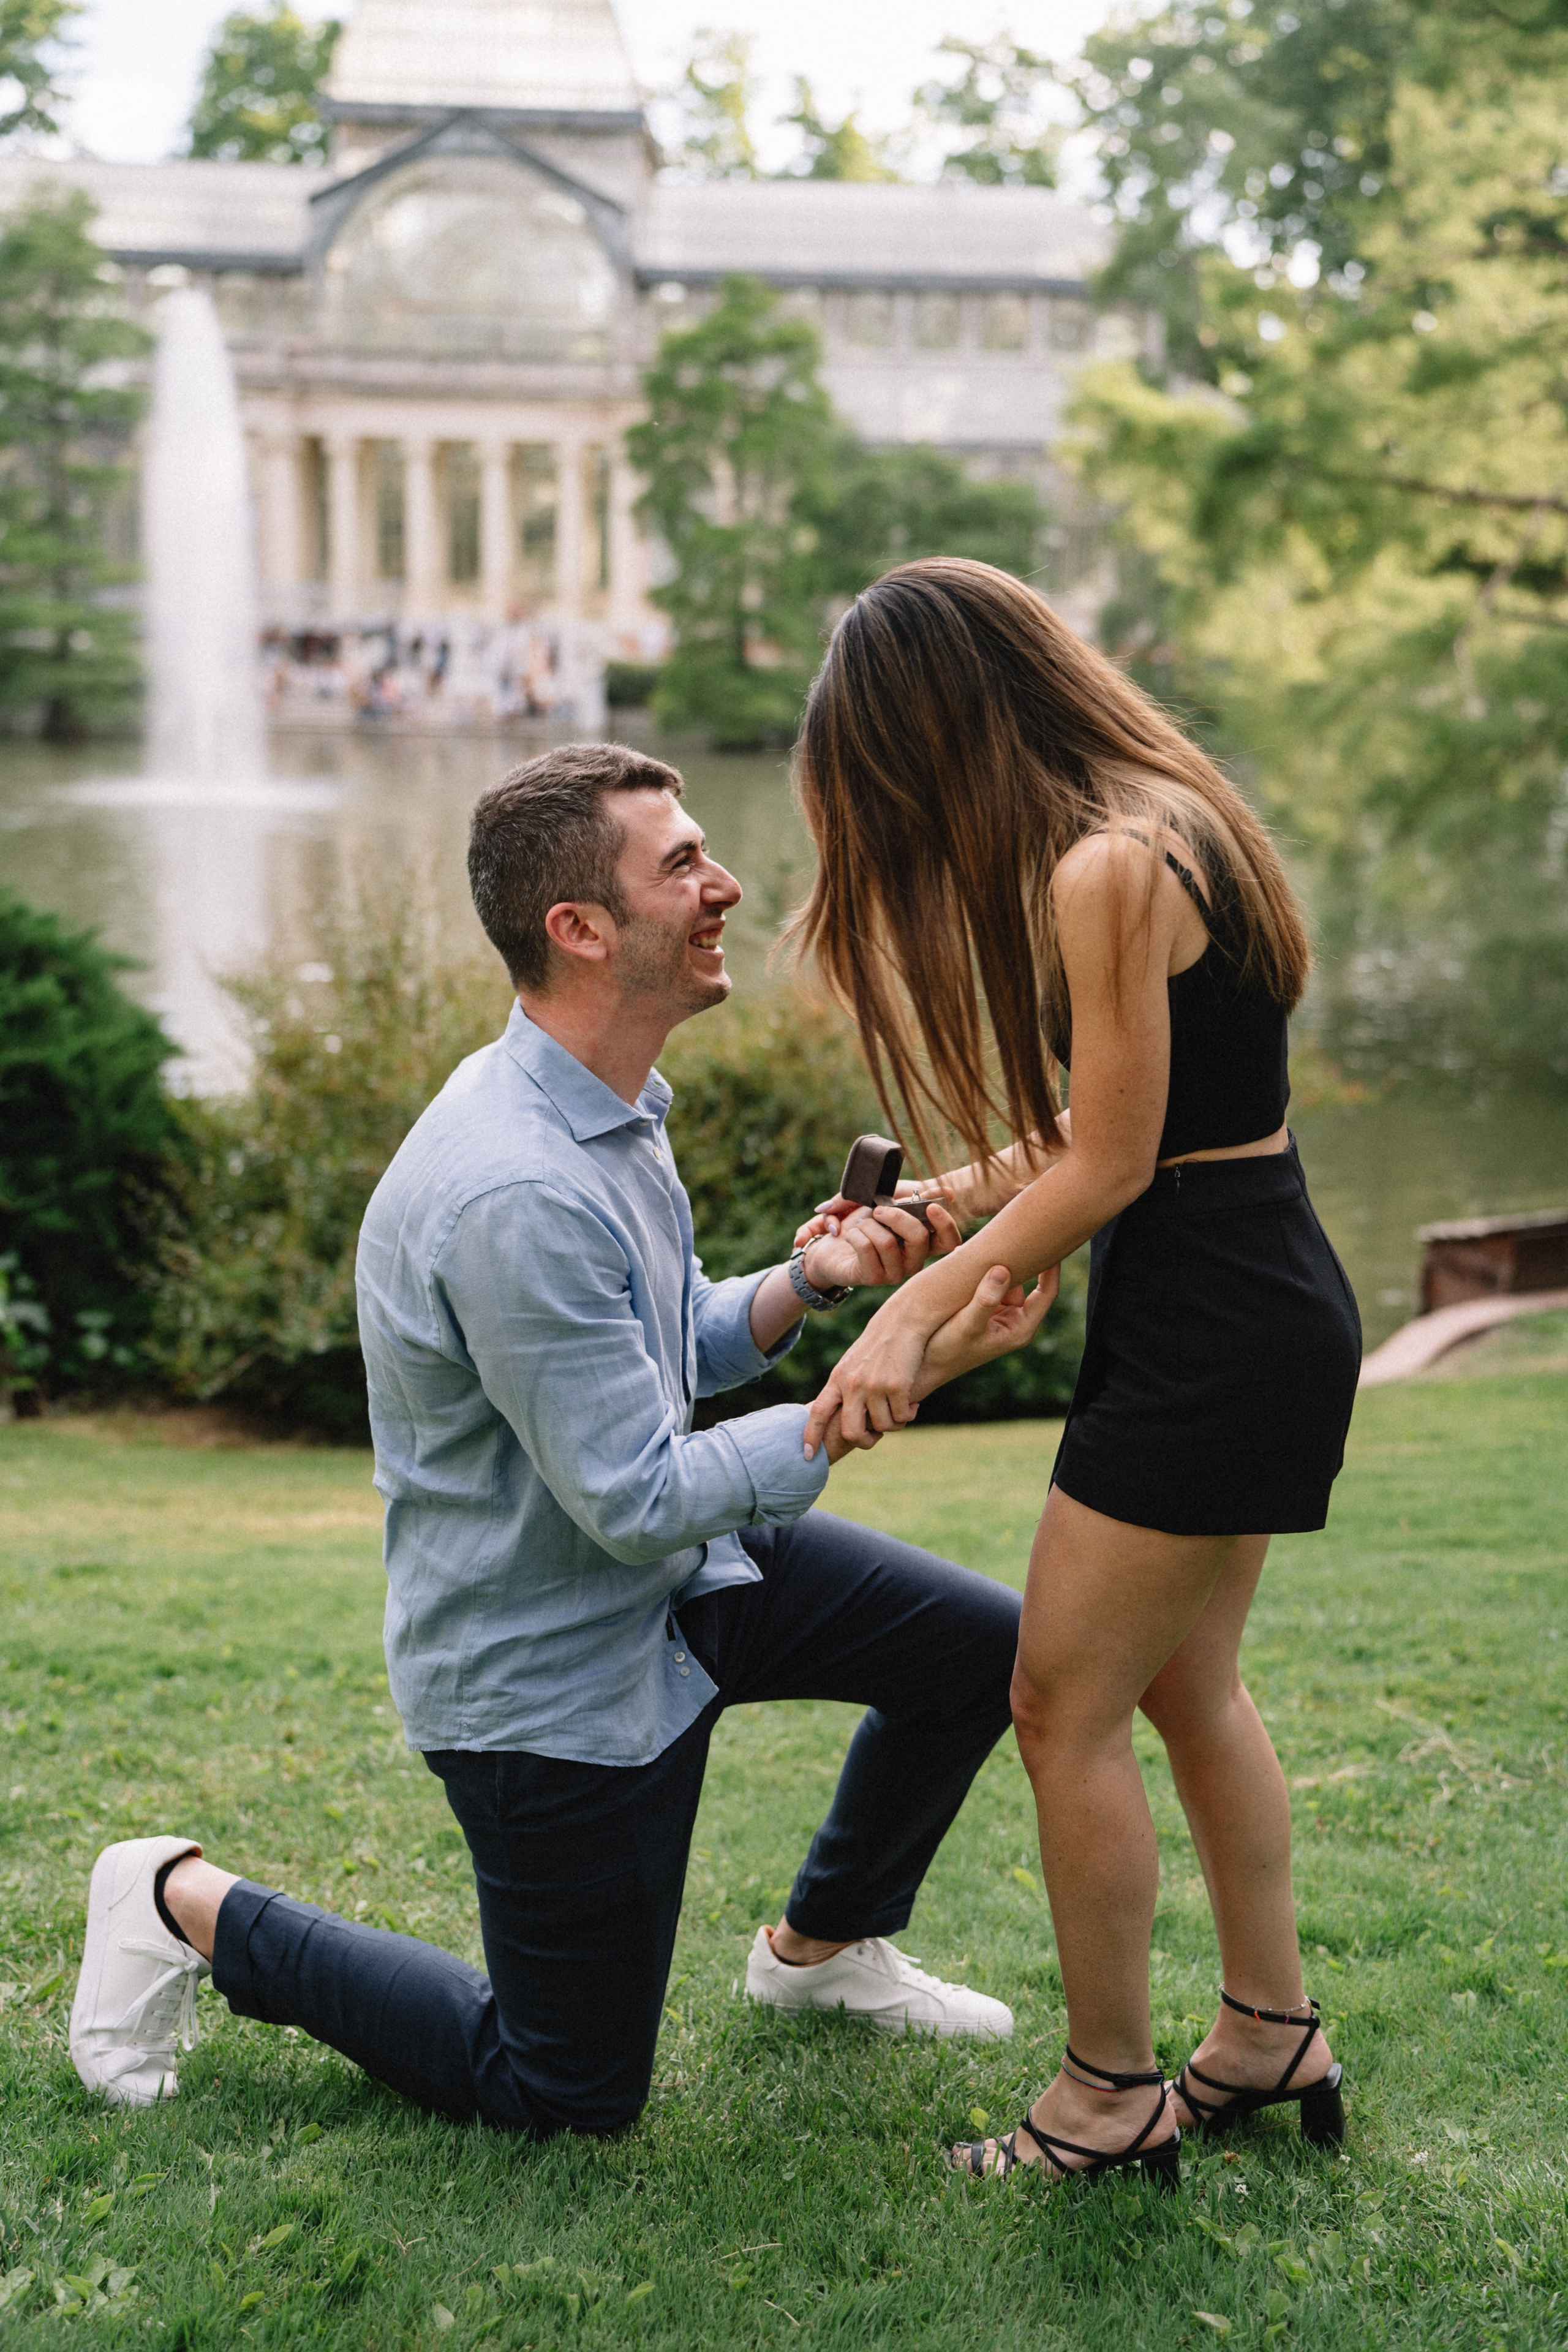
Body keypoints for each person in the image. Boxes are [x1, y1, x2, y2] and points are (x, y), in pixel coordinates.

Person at [69, 741, 1052, 2133]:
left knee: (978, 1654)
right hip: (553, 1672)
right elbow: (638, 1497)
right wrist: (894, 1372)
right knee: (560, 2091)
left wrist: (812, 1286)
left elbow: (650, 1350)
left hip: (683, 1582)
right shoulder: (513, 1186)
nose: (722, 887)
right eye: (681, 868)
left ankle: (820, 1957)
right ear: (578, 929)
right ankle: (177, 1901)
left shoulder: (605, 1108)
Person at [791, 559, 1362, 2190]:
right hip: (1255, 1289)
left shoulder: (1107, 866)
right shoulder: (1177, 814)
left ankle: (1109, 2101)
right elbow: (1126, 1127)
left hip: (1207, 1322)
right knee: (1187, 1686)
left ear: (942, 736)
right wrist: (945, 1209)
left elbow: (1110, 1163)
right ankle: (1267, 2033)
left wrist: (910, 1319)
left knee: (1062, 1704)